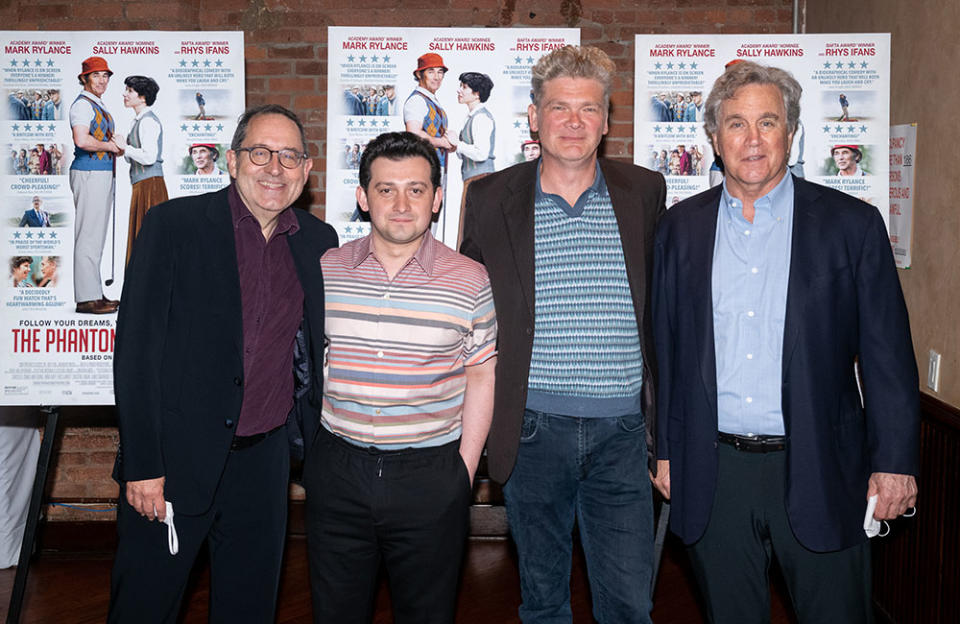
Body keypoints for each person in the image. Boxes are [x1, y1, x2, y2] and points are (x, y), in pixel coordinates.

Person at [652, 60, 919, 624]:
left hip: (822, 466)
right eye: (736, 124)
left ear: (791, 133)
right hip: (713, 470)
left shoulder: (853, 225)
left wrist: (894, 461)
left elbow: (887, 355)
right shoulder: (680, 230)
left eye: (767, 122)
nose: (752, 140)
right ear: (714, 138)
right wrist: (667, 450)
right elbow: (668, 353)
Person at [106, 104, 338, 624]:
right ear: (232, 162)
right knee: (144, 607)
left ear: (306, 170)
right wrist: (144, 465)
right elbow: (136, 352)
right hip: (172, 463)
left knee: (248, 610)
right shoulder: (174, 225)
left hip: (264, 465)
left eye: (289, 156)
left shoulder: (319, 244)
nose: (274, 167)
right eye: (260, 152)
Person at [461, 45, 666, 623]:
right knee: (544, 603)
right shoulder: (490, 197)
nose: (573, 122)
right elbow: (468, 311)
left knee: (629, 607)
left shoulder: (645, 193)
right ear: (533, 117)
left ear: (606, 119)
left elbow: (663, 315)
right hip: (531, 432)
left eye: (588, 109)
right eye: (558, 108)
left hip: (624, 436)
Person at [306, 131, 496, 624]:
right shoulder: (325, 270)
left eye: (416, 189)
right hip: (337, 470)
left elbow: (482, 373)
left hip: (430, 475)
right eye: (386, 189)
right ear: (362, 197)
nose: (401, 203)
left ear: (437, 198)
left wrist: (463, 473)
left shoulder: (471, 278)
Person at [69, 56, 122, 314]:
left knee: (96, 235)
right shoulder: (82, 106)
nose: (102, 80)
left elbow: (98, 138)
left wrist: (115, 147)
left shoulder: (97, 104)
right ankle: (86, 299)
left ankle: (94, 292)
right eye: (96, 75)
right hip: (88, 173)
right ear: (84, 79)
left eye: (105, 76)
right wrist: (110, 146)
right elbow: (81, 140)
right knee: (88, 235)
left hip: (100, 173)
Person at [118, 75, 169, 266]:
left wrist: (125, 147)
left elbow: (149, 157)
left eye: (130, 91)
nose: (125, 94)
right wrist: (122, 149)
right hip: (141, 184)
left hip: (151, 185)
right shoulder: (136, 121)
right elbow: (132, 156)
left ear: (142, 97)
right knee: (141, 236)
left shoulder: (149, 121)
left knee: (151, 238)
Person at [451, 71, 496, 243]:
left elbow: (481, 153)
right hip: (472, 180)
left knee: (475, 231)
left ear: (476, 93)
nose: (459, 91)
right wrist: (455, 145)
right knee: (469, 229)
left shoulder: (482, 118)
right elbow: (466, 154)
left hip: (482, 181)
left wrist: (458, 144)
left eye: (464, 87)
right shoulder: (470, 117)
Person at [404, 53, 454, 168]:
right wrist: (442, 142)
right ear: (419, 74)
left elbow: (435, 134)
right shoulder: (417, 100)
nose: (436, 77)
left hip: (436, 167)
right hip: (422, 168)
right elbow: (414, 134)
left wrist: (450, 144)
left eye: (440, 72)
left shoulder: (431, 100)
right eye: (431, 72)